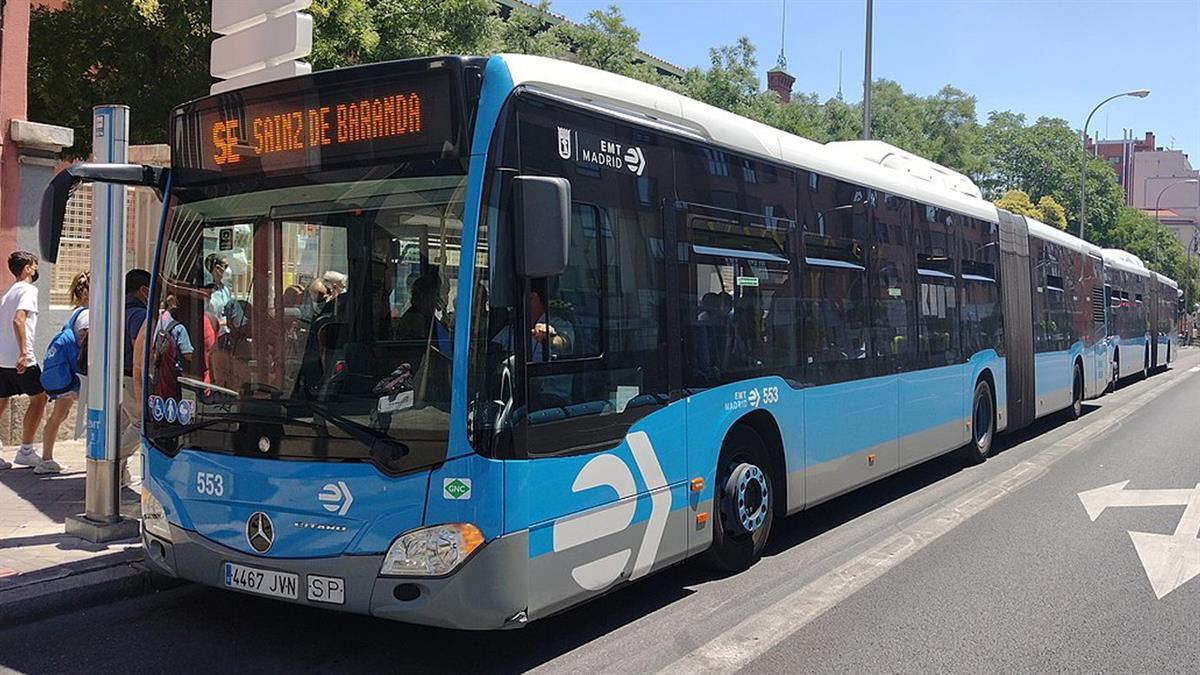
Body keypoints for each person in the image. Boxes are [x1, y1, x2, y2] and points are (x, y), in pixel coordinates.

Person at [0, 252, 49, 471]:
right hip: (21, 358)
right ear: (28, 268)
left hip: (2, 358)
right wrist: (23, 353)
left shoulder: (7, 292)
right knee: (40, 399)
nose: (36, 269)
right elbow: (18, 320)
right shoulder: (29, 290)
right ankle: (26, 451)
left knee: (1, 401)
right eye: (34, 265)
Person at [38, 271, 90, 474]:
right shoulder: (86, 314)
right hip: (80, 374)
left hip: (67, 373)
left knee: (59, 414)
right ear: (86, 292)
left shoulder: (75, 312)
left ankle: (46, 458)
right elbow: (87, 338)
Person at [118, 269, 151, 486]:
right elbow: (140, 351)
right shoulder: (139, 314)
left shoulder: (119, 310)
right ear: (144, 290)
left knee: (122, 424)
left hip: (119, 376)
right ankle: (110, 460)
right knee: (140, 423)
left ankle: (118, 475)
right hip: (132, 377)